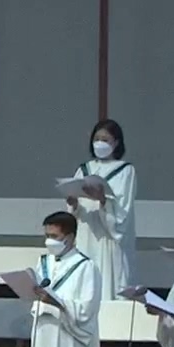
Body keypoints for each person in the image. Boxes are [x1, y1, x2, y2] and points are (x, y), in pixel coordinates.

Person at [29, 212, 101, 347]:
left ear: (69, 237)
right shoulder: (44, 262)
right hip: (44, 331)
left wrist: (58, 302)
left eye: (54, 236)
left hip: (69, 336)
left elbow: (87, 309)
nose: (49, 241)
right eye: (47, 235)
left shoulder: (86, 267)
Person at [67, 119, 136, 299]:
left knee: (106, 285)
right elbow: (74, 211)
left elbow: (123, 211)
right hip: (86, 233)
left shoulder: (125, 171)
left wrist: (103, 200)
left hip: (108, 237)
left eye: (105, 140)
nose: (99, 143)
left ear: (116, 142)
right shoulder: (84, 169)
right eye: (96, 139)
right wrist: (73, 203)